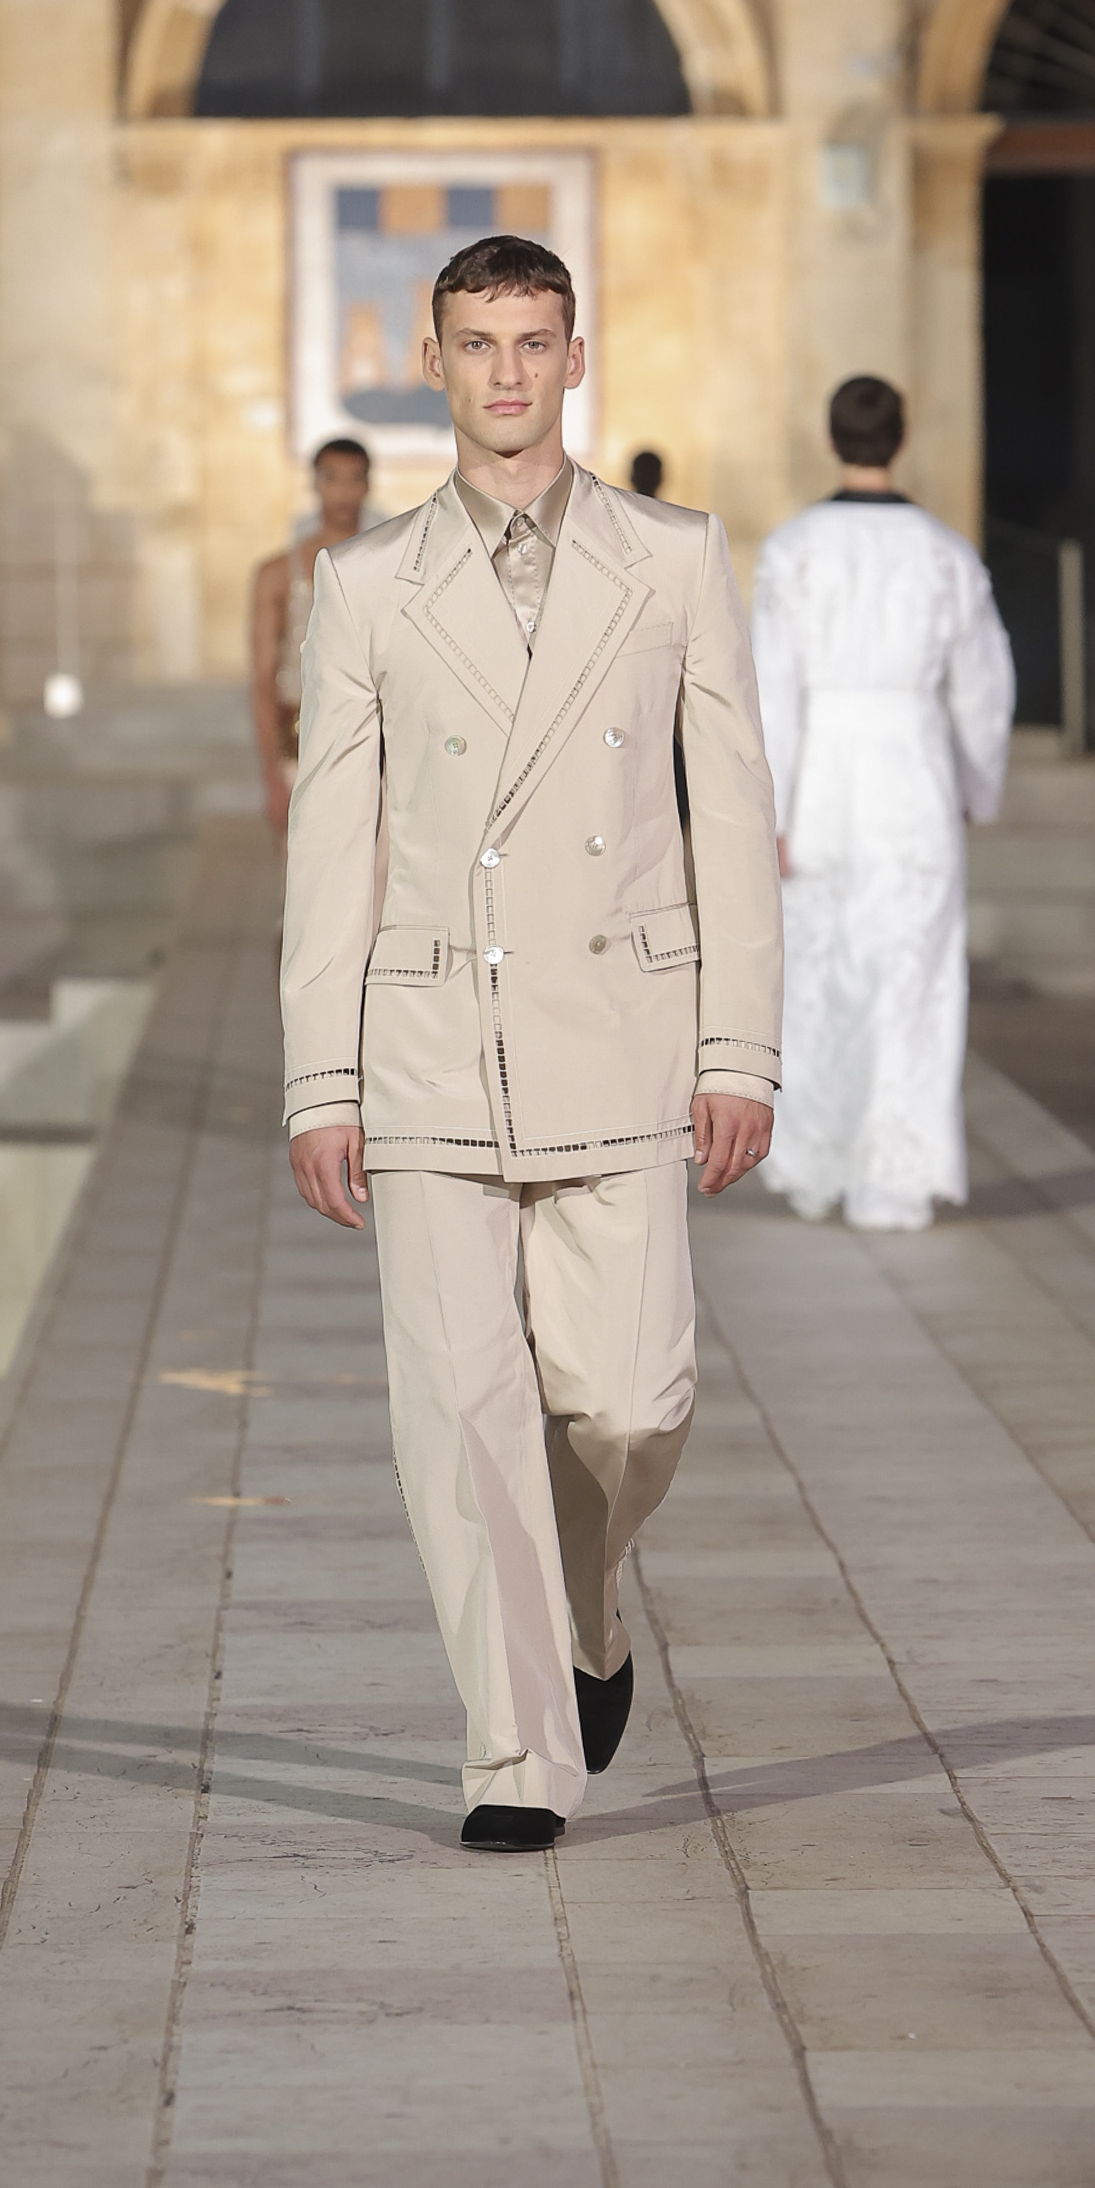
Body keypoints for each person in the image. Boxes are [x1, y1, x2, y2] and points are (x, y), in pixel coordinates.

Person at [281, 235, 783, 1852]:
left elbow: (731, 816)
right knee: (460, 1416)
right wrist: (320, 1078)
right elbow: (330, 844)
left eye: (532, 340)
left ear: (575, 357)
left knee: (631, 1402)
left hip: (622, 1030)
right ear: (429, 359)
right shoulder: (362, 586)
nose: (505, 371)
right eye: (476, 341)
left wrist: (737, 1049)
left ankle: (584, 1593)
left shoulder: (674, 557)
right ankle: (514, 1756)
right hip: (433, 1031)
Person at [750, 374, 1015, 1233]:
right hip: (911, 774)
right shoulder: (944, 553)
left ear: (831, 440)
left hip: (821, 780)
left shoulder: (793, 550)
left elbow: (771, 691)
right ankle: (892, 1179)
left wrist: (771, 811)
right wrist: (975, 785)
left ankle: (814, 1166)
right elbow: (983, 688)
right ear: (900, 439)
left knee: (819, 971)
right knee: (912, 976)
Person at [249, 439, 372, 837]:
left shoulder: (391, 565)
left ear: (368, 485)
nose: (343, 492)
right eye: (332, 479)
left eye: (354, 479)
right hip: (300, 743)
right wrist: (272, 778)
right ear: (315, 484)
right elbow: (263, 679)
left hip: (374, 744)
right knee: (305, 865)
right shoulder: (277, 574)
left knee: (377, 867)